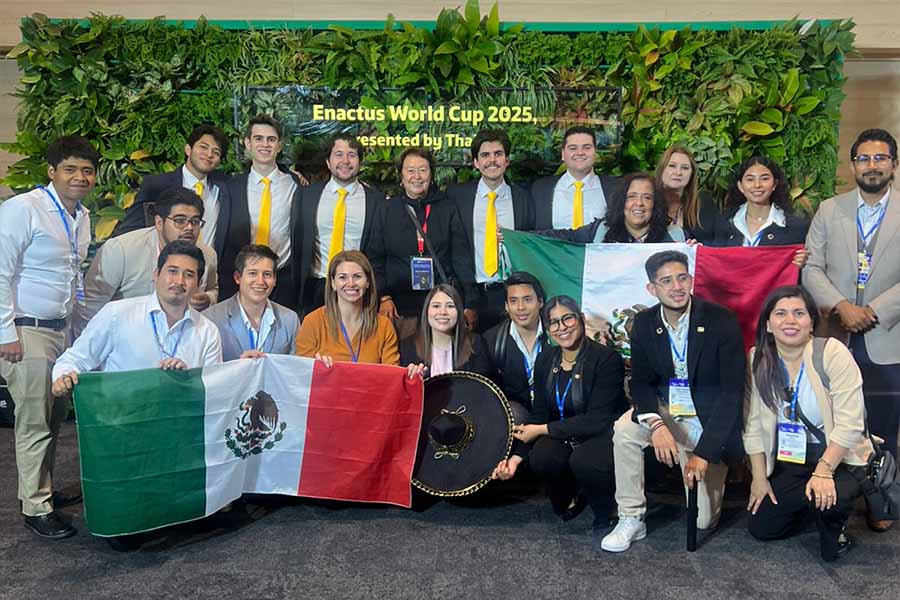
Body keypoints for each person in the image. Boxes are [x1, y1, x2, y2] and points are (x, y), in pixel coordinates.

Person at [600, 250, 745, 553]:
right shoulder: (643, 323)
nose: (676, 287)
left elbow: (731, 393)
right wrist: (655, 425)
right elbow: (640, 383)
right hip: (666, 410)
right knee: (625, 430)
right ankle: (631, 517)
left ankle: (705, 468)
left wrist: (704, 453)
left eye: (682, 278)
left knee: (704, 521)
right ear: (652, 289)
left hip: (706, 418)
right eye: (666, 281)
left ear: (691, 280)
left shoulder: (721, 320)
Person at [0, 135, 98, 539]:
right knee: (34, 420)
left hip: (61, 329)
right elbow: (1, 271)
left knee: (53, 417)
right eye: (71, 169)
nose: (80, 177)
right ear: (52, 171)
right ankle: (35, 508)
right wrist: (5, 332)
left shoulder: (82, 216)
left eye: (87, 171)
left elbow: (71, 276)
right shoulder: (23, 209)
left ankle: (41, 491)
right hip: (26, 328)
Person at [803, 128, 900, 532]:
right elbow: (810, 267)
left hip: (887, 335)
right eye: (863, 158)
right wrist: (842, 306)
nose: (871, 165)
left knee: (882, 423)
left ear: (894, 163)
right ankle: (836, 502)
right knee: (833, 419)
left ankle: (882, 501)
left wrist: (873, 310)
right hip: (835, 331)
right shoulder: (830, 209)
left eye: (880, 158)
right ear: (853, 164)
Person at [744, 285, 873, 562]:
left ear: (811, 322)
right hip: (792, 458)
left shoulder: (831, 353)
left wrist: (824, 471)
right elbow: (752, 424)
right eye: (780, 313)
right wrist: (758, 477)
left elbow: (851, 424)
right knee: (762, 528)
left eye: (799, 313)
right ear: (768, 324)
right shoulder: (758, 358)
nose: (790, 321)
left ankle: (836, 522)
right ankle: (815, 505)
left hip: (838, 457)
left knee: (831, 516)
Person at [492, 295, 627, 549]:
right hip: (562, 432)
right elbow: (539, 414)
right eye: (553, 323)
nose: (561, 327)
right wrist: (515, 459)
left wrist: (542, 430)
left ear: (581, 320)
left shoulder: (606, 359)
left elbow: (598, 419)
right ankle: (572, 493)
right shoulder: (546, 359)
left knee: (584, 459)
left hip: (601, 433)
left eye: (567, 318)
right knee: (542, 457)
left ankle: (606, 509)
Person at [52, 241, 223, 392]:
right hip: (120, 419)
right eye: (172, 271)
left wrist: (187, 379)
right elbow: (75, 359)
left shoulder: (207, 331)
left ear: (199, 284)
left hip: (178, 423)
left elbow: (214, 389)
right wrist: (63, 377)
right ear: (156, 274)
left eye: (189, 275)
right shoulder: (117, 314)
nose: (179, 281)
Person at [75, 187, 219, 334]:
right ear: (159, 222)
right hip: (122, 339)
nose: (189, 228)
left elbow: (213, 289)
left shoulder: (207, 255)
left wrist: (208, 299)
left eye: (195, 222)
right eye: (180, 221)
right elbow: (89, 308)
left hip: (181, 339)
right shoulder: (121, 250)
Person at [368, 148, 474, 340]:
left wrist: (469, 304)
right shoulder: (386, 209)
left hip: (441, 305)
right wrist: (384, 297)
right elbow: (375, 258)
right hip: (399, 308)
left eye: (423, 170)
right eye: (410, 170)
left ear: (431, 175)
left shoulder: (446, 207)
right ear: (401, 176)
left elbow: (461, 257)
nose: (417, 176)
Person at [447, 129, 535, 332]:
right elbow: (455, 249)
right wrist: (466, 300)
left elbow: (532, 245)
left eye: (498, 154)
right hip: (472, 296)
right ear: (476, 162)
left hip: (513, 295)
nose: (492, 160)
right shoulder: (457, 197)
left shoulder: (523, 198)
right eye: (485, 155)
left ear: (507, 160)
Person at [292, 134, 384, 318]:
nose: (345, 161)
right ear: (328, 161)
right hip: (316, 286)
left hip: (355, 288)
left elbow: (379, 251)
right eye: (339, 154)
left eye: (352, 155)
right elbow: (298, 241)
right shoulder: (307, 196)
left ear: (360, 162)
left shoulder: (376, 200)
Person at [112, 124, 231, 258]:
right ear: (188, 149)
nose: (209, 154)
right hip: (162, 269)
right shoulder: (157, 186)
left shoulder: (225, 187)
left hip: (207, 269)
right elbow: (130, 229)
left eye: (216, 152)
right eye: (203, 147)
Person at [221, 115, 300, 307]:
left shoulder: (295, 185)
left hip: (284, 280)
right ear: (248, 143)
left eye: (271, 139)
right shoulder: (232, 187)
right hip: (242, 281)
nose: (265, 144)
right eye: (258, 138)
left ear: (279, 145)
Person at [295, 250, 400, 366]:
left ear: (368, 282)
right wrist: (317, 368)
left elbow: (392, 375)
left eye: (357, 276)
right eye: (343, 277)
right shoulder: (313, 322)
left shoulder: (384, 326)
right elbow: (302, 373)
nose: (351, 283)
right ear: (333, 283)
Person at [204, 244, 300, 361]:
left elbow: (294, 369)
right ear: (237, 277)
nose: (260, 281)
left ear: (275, 280)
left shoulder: (290, 319)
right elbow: (206, 372)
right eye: (253, 273)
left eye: (267, 274)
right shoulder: (211, 319)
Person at [713, 156, 808, 267]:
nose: (757, 185)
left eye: (765, 178)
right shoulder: (724, 223)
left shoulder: (795, 227)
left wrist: (803, 263)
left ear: (774, 184)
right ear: (740, 186)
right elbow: (715, 264)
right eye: (750, 179)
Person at [538, 173, 683, 243]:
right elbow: (562, 238)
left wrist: (694, 250)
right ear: (622, 202)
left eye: (647, 197)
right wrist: (518, 238)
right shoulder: (600, 231)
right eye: (631, 196)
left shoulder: (675, 237)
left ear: (655, 204)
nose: (639, 203)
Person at [483, 271, 547, 422]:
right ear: (506, 306)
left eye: (527, 300)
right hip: (516, 421)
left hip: (555, 417)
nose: (520, 307)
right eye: (513, 301)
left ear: (540, 302)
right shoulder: (491, 341)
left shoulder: (557, 335)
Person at [530, 126, 621, 229]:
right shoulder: (541, 189)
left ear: (595, 153)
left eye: (586, 147)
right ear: (563, 154)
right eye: (573, 148)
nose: (580, 153)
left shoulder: (615, 189)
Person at [399, 284, 491, 377]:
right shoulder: (407, 347)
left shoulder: (476, 344)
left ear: (459, 312)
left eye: (450, 306)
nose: (443, 312)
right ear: (426, 311)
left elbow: (483, 387)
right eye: (436, 306)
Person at [655, 144, 720, 244]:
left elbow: (719, 241)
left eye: (685, 168)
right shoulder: (648, 202)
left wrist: (700, 248)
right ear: (662, 169)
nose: (678, 172)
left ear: (692, 174)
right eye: (672, 166)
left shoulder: (704, 203)